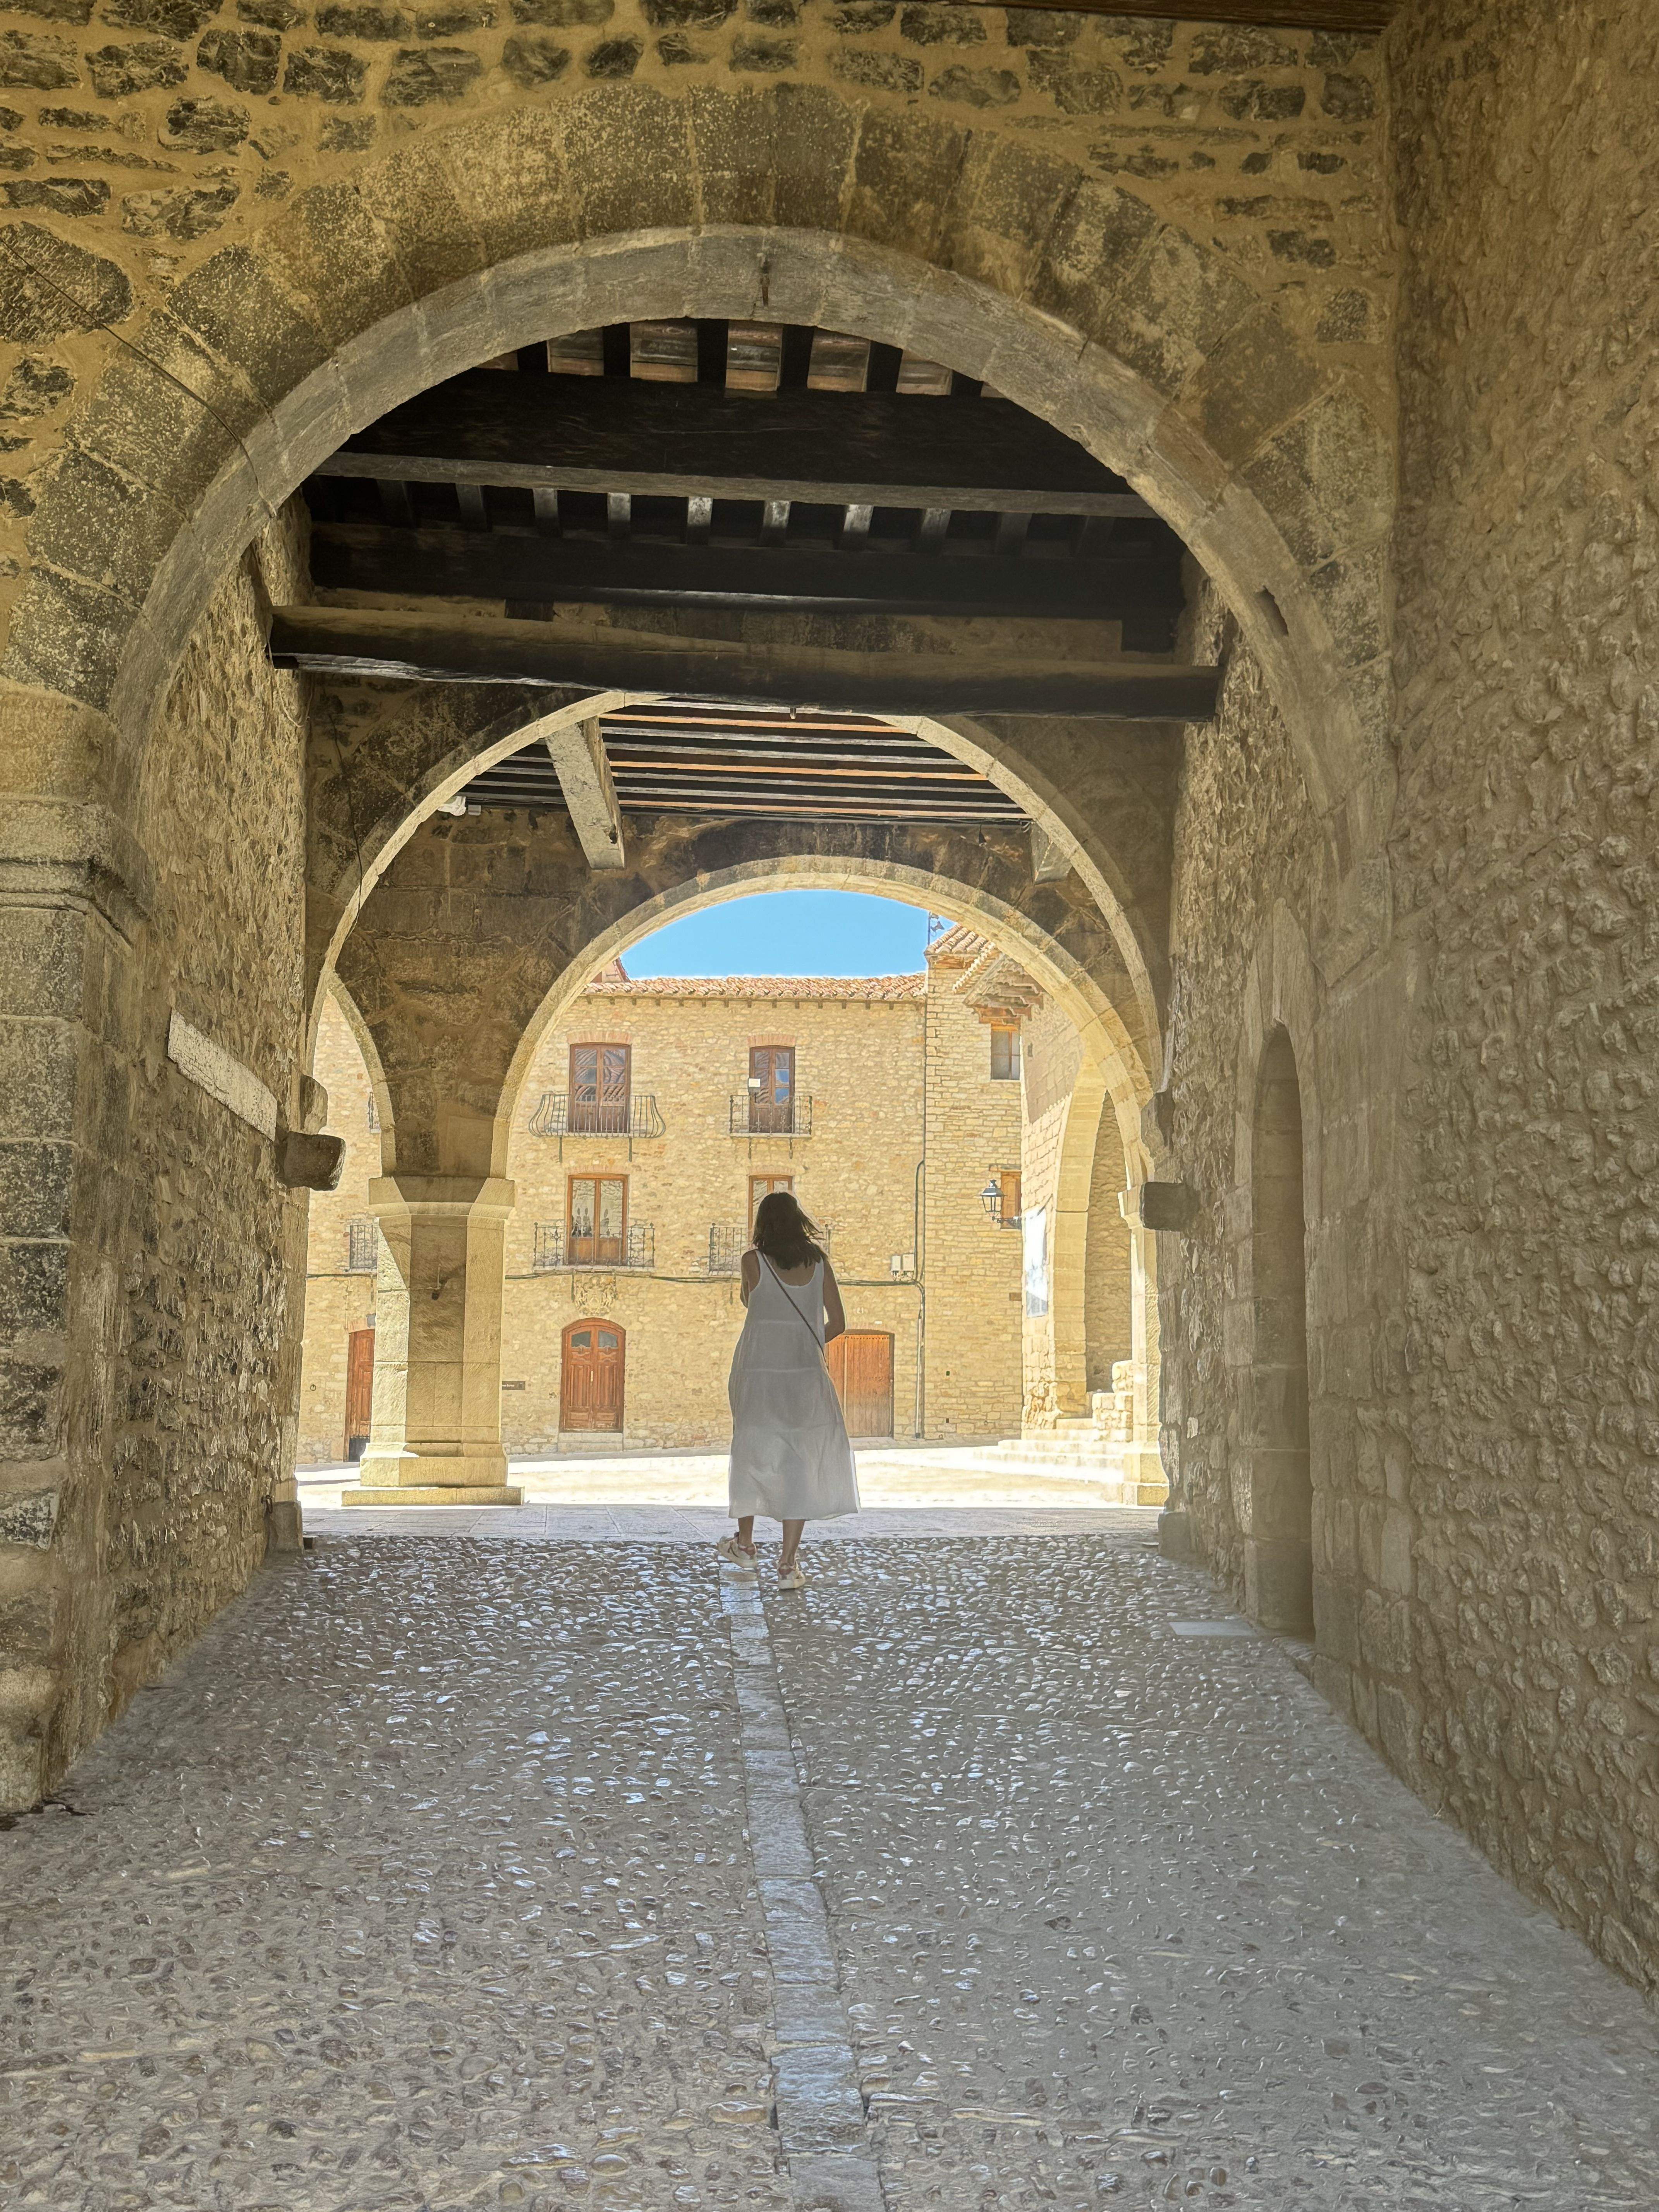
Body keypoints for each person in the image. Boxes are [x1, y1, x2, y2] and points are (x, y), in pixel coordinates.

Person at [718, 1191, 859, 1589]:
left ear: (763, 1224)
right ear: (799, 1221)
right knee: (798, 1462)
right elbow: (838, 1323)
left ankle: (745, 1546)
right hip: (805, 1375)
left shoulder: (752, 1262)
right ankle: (787, 1564)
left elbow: (750, 1302)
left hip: (758, 1372)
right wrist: (806, 1342)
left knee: (751, 1450)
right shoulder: (819, 1263)